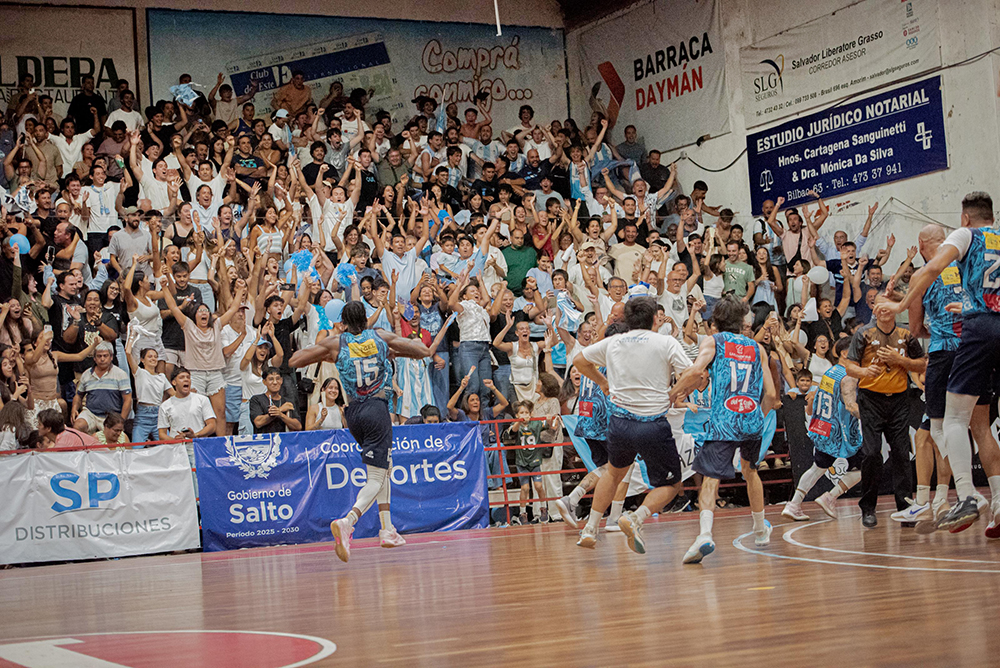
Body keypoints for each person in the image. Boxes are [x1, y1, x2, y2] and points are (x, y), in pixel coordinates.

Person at [877, 193, 1000, 533]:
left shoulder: (962, 241)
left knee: (948, 425)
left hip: (953, 347)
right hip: (992, 329)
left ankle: (962, 495)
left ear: (963, 219)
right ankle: (997, 502)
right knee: (983, 427)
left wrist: (900, 306)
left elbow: (919, 319)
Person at [288, 301, 436, 562]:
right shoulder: (380, 336)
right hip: (377, 410)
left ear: (343, 322)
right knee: (377, 477)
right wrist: (392, 351)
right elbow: (423, 350)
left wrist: (326, 353)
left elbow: (295, 360)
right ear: (366, 320)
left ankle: (387, 529)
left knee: (383, 467)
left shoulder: (337, 342)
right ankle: (348, 521)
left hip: (353, 413)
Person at [572, 297, 692, 552]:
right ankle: (635, 518)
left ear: (627, 319)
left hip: (620, 424)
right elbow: (693, 373)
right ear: (655, 318)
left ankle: (590, 529)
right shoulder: (666, 342)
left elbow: (580, 361)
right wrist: (674, 392)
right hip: (653, 424)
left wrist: (602, 382)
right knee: (671, 484)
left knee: (613, 474)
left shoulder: (614, 342)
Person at [670, 296, 779, 564]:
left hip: (724, 420)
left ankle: (705, 534)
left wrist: (674, 392)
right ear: (743, 321)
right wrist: (757, 416)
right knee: (751, 471)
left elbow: (697, 372)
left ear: (716, 321)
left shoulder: (714, 342)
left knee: (710, 477)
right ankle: (760, 530)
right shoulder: (757, 348)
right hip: (751, 419)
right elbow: (772, 394)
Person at [845, 290, 925, 528]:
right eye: (879, 305)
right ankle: (868, 507)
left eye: (888, 304)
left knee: (902, 453)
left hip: (900, 400)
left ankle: (905, 507)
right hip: (871, 400)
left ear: (895, 307)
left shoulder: (906, 333)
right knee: (871, 454)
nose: (883, 309)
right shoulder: (864, 333)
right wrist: (864, 372)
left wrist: (902, 362)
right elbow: (849, 365)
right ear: (874, 310)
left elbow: (921, 363)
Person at [782, 339, 863, 521]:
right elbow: (850, 406)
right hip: (840, 432)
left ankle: (794, 504)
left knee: (817, 468)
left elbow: (815, 399)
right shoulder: (847, 376)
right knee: (866, 466)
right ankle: (830, 497)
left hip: (824, 427)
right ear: (844, 353)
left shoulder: (830, 372)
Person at [72, 341, 132, 434]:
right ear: (94, 358)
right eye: (99, 356)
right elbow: (78, 395)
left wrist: (121, 421)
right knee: (78, 426)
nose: (102, 359)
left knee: (114, 438)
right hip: (91, 413)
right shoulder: (87, 374)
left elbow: (128, 400)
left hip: (112, 416)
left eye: (105, 356)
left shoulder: (120, 374)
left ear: (111, 357)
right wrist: (74, 409)